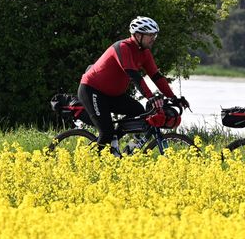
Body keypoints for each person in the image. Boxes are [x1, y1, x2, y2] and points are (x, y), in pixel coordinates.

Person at [78, 16, 188, 153]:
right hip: (92, 90)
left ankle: (118, 148)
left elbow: (157, 77)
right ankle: (91, 161)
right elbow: (134, 76)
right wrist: (150, 97)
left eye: (155, 35)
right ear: (137, 35)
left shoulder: (145, 53)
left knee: (139, 112)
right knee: (106, 131)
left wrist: (173, 97)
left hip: (114, 95)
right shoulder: (122, 48)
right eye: (150, 35)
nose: (154, 39)